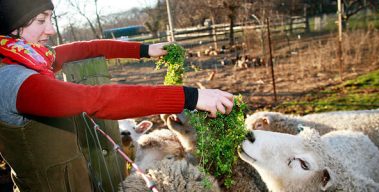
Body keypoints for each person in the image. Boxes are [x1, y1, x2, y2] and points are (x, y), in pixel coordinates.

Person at [0, 0, 234, 191]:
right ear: (12, 26)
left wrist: (145, 50)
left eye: (51, 19)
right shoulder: (12, 79)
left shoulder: (34, 57)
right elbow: (97, 99)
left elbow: (86, 49)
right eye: (41, 20)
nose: (50, 29)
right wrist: (190, 97)